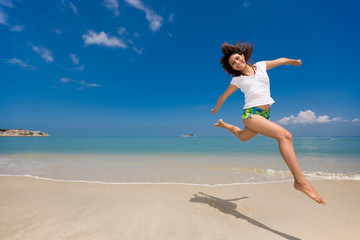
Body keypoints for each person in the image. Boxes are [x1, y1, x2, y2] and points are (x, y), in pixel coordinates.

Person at [211, 40, 326, 205]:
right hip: (250, 114)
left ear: (242, 55)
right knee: (285, 136)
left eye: (237, 58)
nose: (236, 63)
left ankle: (223, 125)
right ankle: (300, 181)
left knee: (243, 137)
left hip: (264, 115)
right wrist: (215, 109)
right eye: (232, 63)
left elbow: (280, 61)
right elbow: (223, 96)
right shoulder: (238, 80)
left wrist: (293, 61)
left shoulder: (261, 65)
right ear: (231, 67)